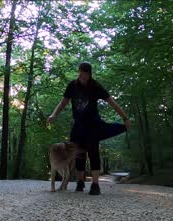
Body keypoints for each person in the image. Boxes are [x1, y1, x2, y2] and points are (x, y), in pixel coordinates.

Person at [47, 62, 131, 195]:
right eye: (80, 73)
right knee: (77, 152)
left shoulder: (95, 86)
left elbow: (111, 102)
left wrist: (125, 118)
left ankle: (95, 185)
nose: (82, 76)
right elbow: (63, 102)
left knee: (93, 152)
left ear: (89, 73)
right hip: (78, 125)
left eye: (85, 74)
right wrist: (54, 114)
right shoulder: (72, 86)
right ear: (78, 72)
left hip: (93, 124)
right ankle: (80, 182)